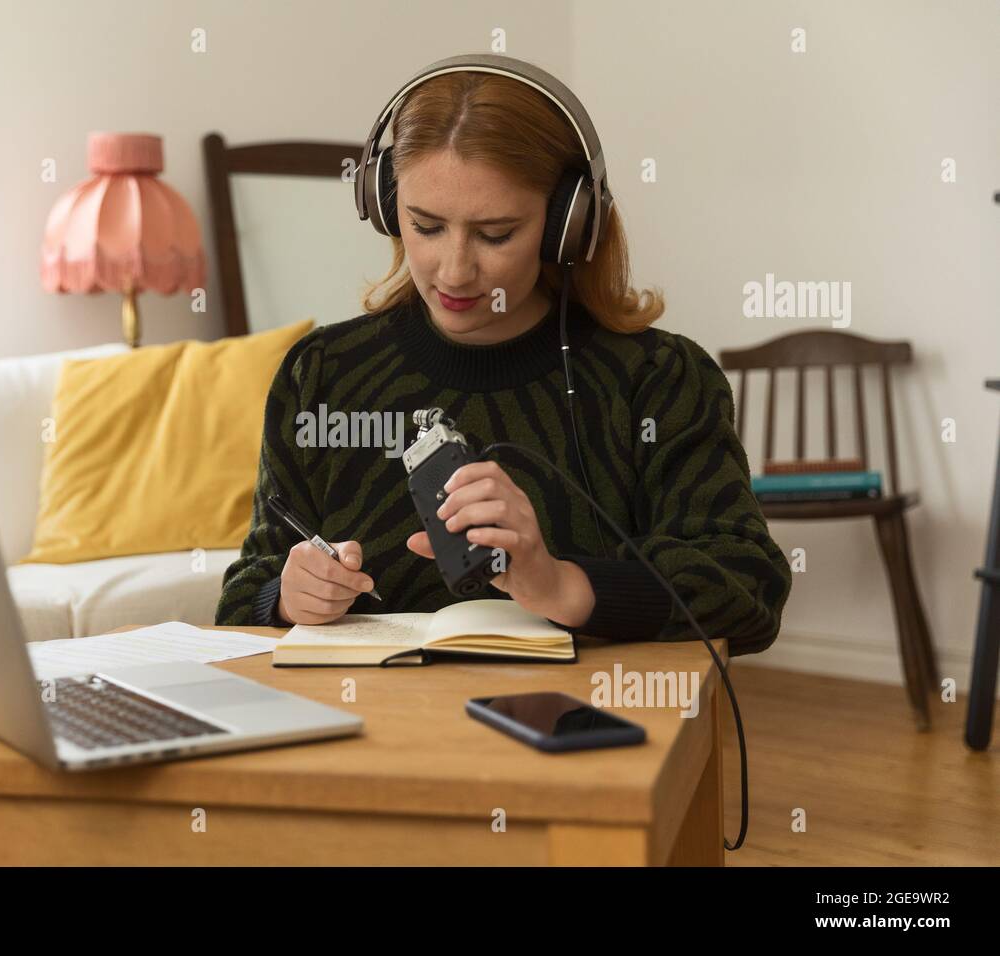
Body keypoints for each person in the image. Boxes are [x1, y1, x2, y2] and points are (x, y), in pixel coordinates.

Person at [216, 59, 791, 657]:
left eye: (495, 234)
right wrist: (285, 599)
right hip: (365, 731)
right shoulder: (322, 375)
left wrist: (562, 585)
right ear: (387, 209)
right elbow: (241, 599)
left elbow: (750, 585)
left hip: (588, 733)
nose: (456, 270)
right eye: (426, 226)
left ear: (567, 224)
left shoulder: (660, 380)